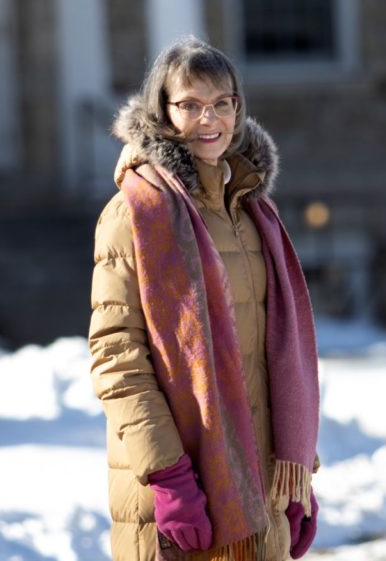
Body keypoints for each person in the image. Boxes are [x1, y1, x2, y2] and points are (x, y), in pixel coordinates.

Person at [88, 36, 321, 561]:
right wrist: (169, 476)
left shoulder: (251, 212)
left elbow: (273, 354)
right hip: (180, 491)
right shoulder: (135, 215)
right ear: (164, 113)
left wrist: (297, 470)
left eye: (221, 103)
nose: (208, 118)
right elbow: (116, 360)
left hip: (260, 491)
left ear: (238, 109)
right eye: (189, 105)